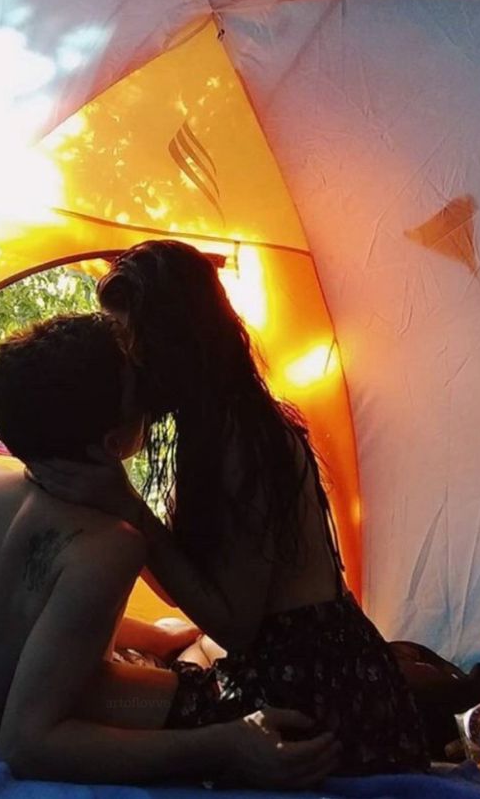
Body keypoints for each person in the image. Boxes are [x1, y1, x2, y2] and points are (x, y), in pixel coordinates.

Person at [28, 241, 430, 775]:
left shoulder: (242, 439)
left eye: (129, 339)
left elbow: (235, 626)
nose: (123, 362)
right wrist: (122, 512)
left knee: (89, 702)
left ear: (174, 341)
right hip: (290, 669)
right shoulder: (210, 428)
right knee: (90, 692)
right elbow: (199, 590)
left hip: (314, 693)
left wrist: (129, 508)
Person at [0, 313, 340, 787]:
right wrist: (225, 744)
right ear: (114, 442)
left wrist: (157, 640)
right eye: (143, 397)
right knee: (228, 671)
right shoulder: (107, 544)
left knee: (174, 631)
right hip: (69, 706)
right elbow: (24, 743)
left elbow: (36, 615)